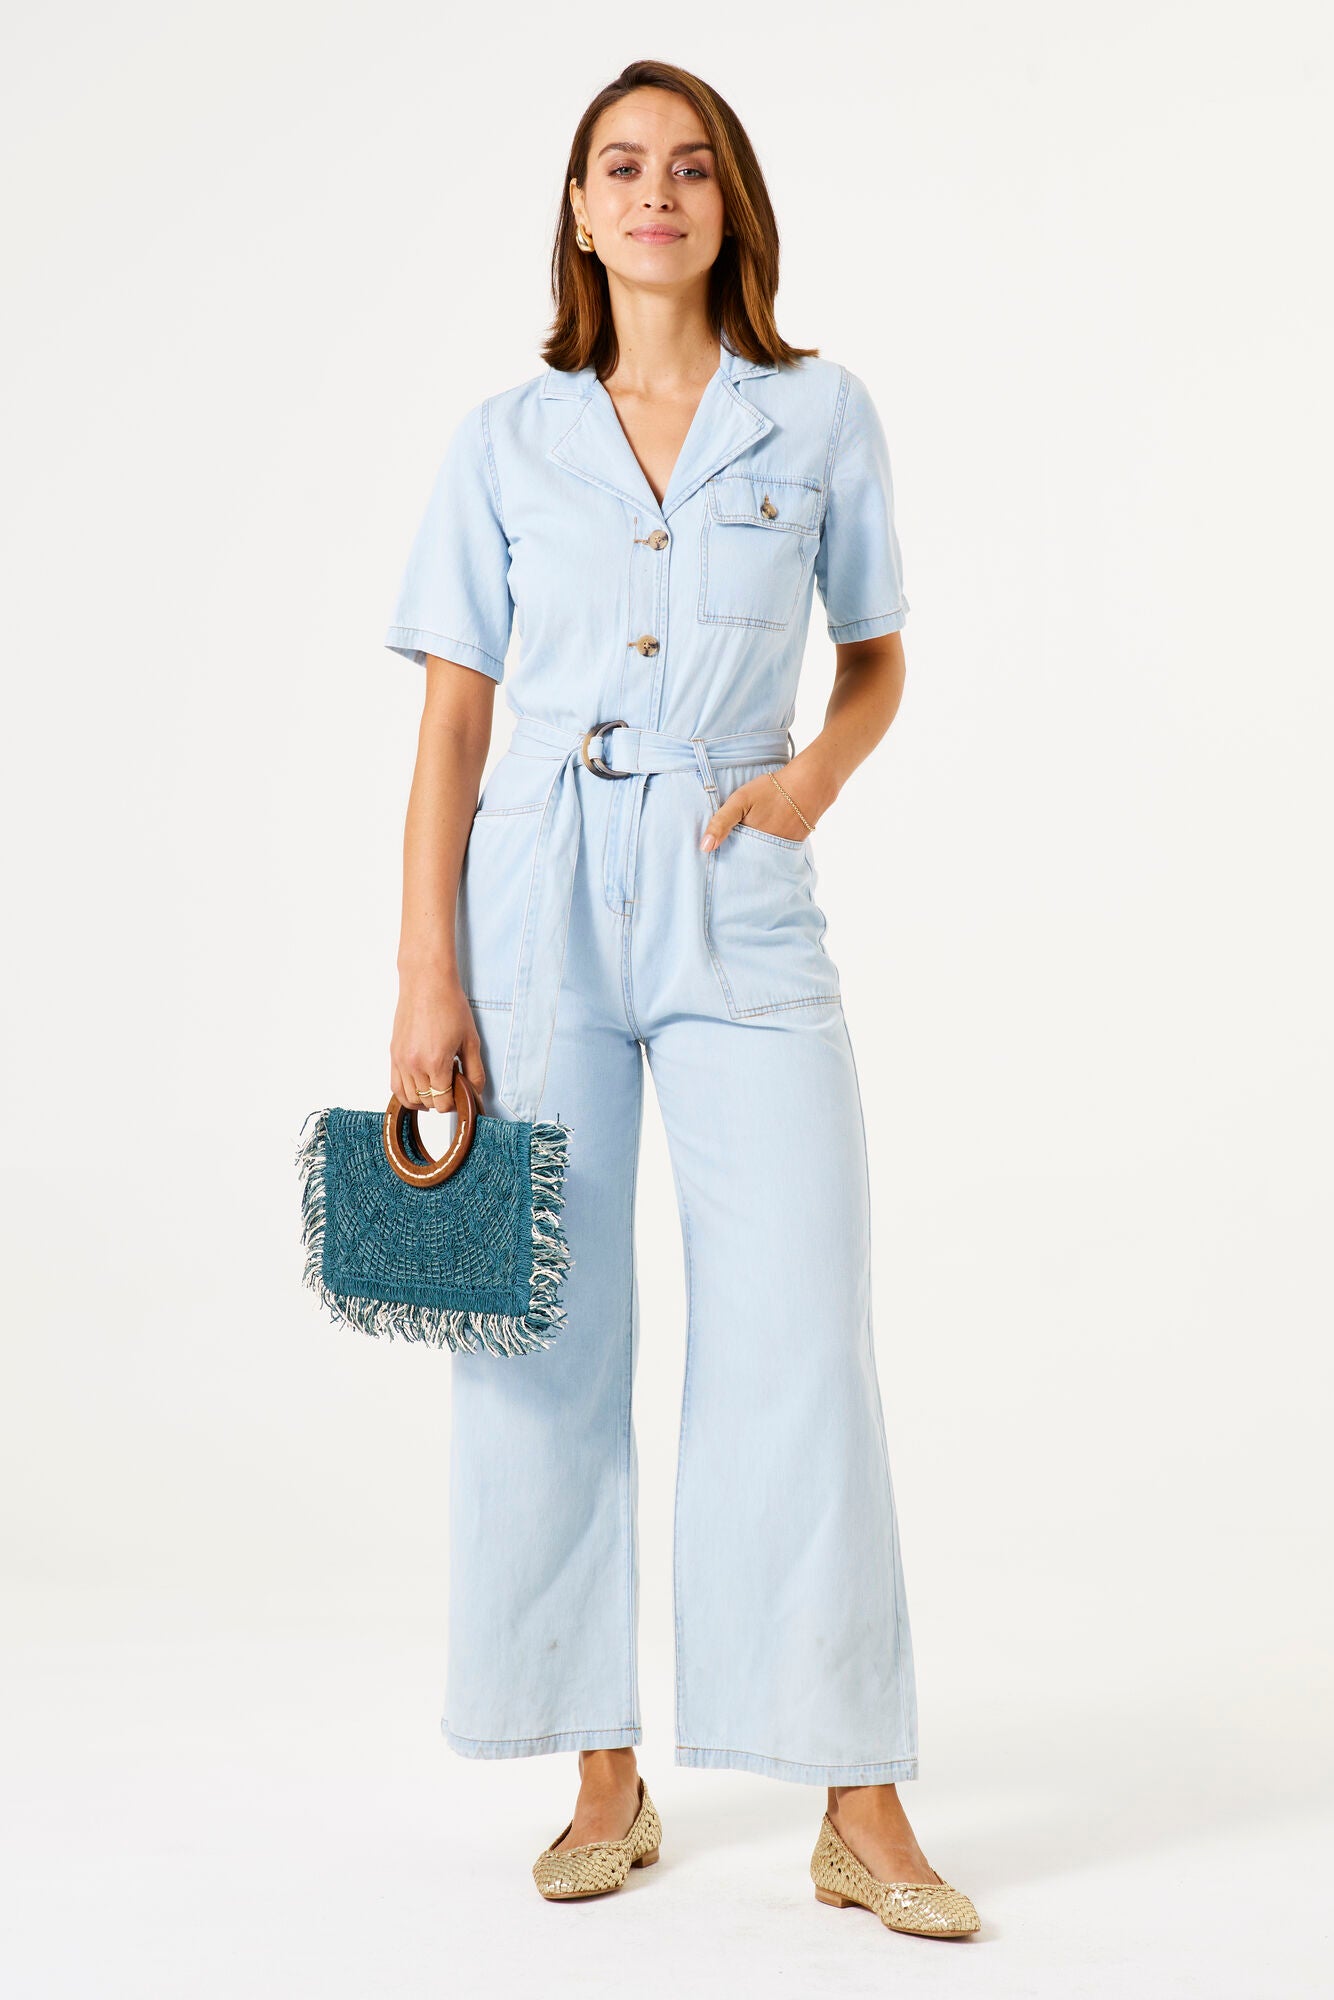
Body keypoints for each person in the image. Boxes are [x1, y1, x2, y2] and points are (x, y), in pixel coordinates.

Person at [382, 58, 980, 1940]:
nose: (656, 191)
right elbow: (453, 724)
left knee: (798, 1332)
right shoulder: (503, 440)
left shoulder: (819, 415)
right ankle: (600, 1773)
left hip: (739, 888)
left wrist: (806, 785)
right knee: (542, 1337)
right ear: (577, 211)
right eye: (621, 165)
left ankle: (854, 1797)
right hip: (533, 902)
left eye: (691, 165)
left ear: (730, 206)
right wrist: (425, 976)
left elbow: (875, 658)